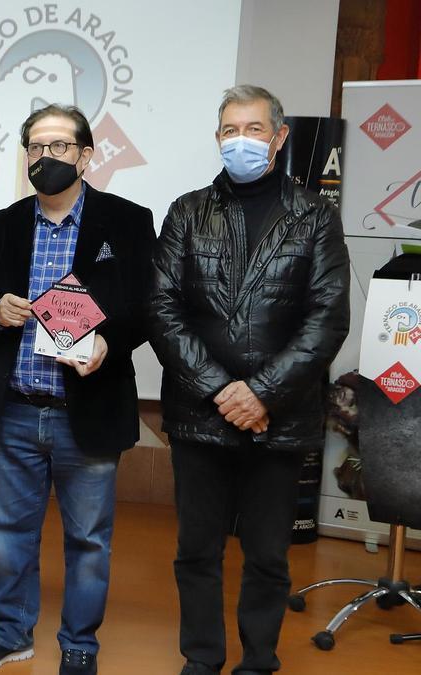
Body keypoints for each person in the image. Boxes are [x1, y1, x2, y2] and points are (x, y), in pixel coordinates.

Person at [148, 85, 350, 675]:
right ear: (218, 139)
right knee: (196, 552)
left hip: (279, 417)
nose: (240, 140)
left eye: (254, 129)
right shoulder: (188, 210)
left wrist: (260, 392)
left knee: (267, 555)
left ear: (279, 137)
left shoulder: (315, 214)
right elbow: (161, 308)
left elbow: (327, 317)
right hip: (198, 412)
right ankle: (202, 658)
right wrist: (221, 389)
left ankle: (259, 660)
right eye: (229, 130)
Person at [0, 104, 156, 675]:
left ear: (86, 155)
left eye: (60, 147)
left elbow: (146, 308)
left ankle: (79, 645)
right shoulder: (5, 223)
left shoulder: (129, 220)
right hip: (15, 406)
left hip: (87, 409)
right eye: (36, 148)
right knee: (6, 536)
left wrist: (108, 344)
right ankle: (10, 632)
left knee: (89, 541)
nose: (47, 158)